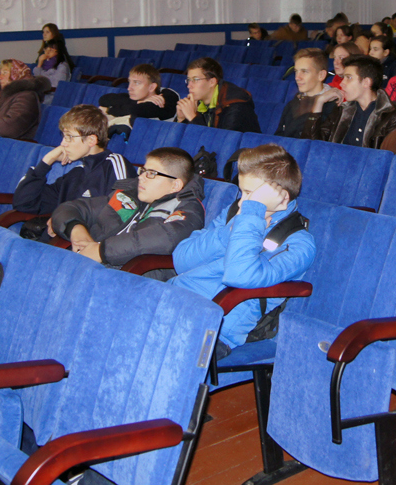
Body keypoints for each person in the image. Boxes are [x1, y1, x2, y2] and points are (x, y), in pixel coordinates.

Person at [169, 144, 316, 358]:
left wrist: (251, 216)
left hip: (213, 329)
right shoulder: (235, 213)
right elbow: (181, 261)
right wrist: (230, 231)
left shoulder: (297, 243)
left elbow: (239, 275)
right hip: (174, 302)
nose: (242, 202)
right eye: (242, 192)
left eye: (250, 194)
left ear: (282, 198)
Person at [51, 148, 205, 269]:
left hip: (126, 278)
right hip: (87, 265)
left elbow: (165, 238)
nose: (141, 177)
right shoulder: (129, 195)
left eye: (151, 174)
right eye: (143, 171)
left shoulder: (187, 209)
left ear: (175, 185)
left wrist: (101, 251)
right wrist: (76, 230)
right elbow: (72, 208)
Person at [13, 104, 132, 220]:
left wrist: (68, 223)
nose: (62, 144)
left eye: (69, 137)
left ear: (91, 140)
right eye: (64, 137)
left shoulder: (115, 165)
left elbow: (123, 212)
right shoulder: (75, 175)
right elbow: (24, 204)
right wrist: (46, 161)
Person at [302, 55, 396, 148]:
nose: (342, 83)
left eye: (349, 78)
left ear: (366, 82)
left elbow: (386, 158)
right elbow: (312, 146)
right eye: (343, 78)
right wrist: (319, 102)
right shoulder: (342, 110)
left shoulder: (393, 116)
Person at [176, 57, 260, 132]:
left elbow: (220, 141)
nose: (189, 85)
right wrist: (181, 119)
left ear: (212, 82)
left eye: (196, 80)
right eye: (189, 80)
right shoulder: (198, 101)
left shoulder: (234, 105)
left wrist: (193, 117)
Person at [97, 64, 179, 138]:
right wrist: (138, 102)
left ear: (151, 87)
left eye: (136, 83)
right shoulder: (136, 97)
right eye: (129, 82)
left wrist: (108, 110)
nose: (129, 88)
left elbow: (135, 110)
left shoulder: (162, 102)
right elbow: (104, 99)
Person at [276, 49, 339, 138]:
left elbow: (319, 142)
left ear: (321, 75)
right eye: (296, 71)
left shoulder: (334, 107)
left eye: (304, 71)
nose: (297, 77)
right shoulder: (292, 104)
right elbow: (279, 136)